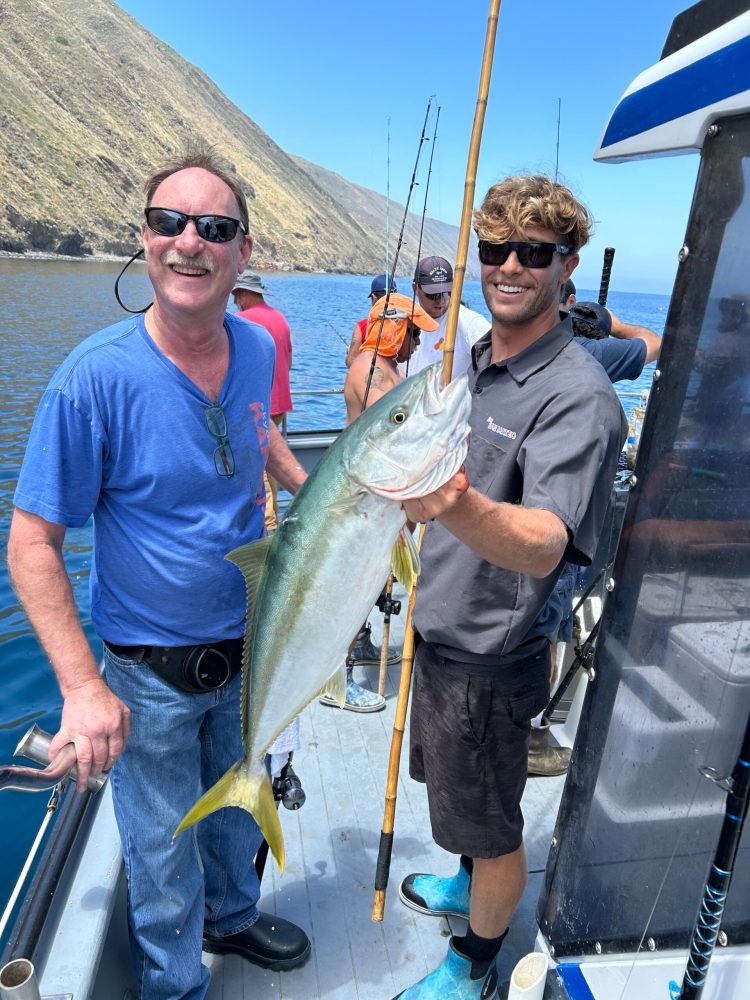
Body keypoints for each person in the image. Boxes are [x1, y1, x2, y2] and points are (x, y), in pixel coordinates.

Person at [7, 148, 311, 1000]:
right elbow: (31, 542)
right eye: (169, 223)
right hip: (148, 679)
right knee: (160, 853)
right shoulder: (93, 380)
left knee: (236, 814)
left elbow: (267, 441)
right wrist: (79, 686)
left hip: (252, 643)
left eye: (214, 228)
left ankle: (235, 917)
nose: (190, 243)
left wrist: (329, 498)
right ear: (143, 241)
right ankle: (176, 986)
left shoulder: (255, 349)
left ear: (242, 253)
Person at [393, 175, 627, 1000]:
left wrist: (453, 502)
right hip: (443, 631)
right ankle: (466, 881)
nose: (511, 267)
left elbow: (543, 542)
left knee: (492, 827)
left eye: (535, 252)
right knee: (461, 802)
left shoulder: (578, 397)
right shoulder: (479, 359)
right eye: (496, 250)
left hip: (494, 656)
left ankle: (474, 966)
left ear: (568, 266)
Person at [526, 284, 663, 777]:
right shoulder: (589, 352)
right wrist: (613, 322)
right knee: (548, 630)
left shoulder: (524, 346)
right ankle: (531, 736)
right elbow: (654, 342)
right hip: (563, 523)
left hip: (526, 514)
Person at [320, 292, 439, 712]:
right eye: (412, 333)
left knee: (372, 587)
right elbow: (390, 440)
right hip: (369, 503)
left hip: (381, 502)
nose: (418, 344)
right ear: (393, 330)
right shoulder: (371, 370)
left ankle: (357, 650)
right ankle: (341, 676)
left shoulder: (382, 366)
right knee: (357, 590)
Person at [232, 268, 293, 531]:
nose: (234, 301)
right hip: (279, 402)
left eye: (236, 295)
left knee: (258, 468)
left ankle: (267, 526)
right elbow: (288, 362)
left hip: (256, 407)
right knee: (273, 466)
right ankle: (275, 518)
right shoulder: (279, 318)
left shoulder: (241, 321)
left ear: (245, 294)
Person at [401, 255, 489, 378]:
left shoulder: (471, 324)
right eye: (433, 295)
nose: (440, 300)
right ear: (415, 288)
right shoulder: (402, 321)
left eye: (447, 293)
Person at [345, 273, 398, 367]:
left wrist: (350, 352)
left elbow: (351, 362)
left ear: (373, 298)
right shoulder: (405, 323)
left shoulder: (363, 326)